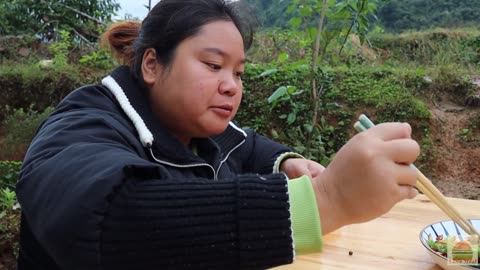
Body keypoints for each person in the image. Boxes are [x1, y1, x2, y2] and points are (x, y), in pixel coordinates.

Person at [15, 0, 420, 269]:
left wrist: (287, 162)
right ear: (152, 65)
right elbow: (106, 217)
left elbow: (247, 145)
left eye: (238, 73)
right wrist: (328, 199)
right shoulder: (79, 127)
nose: (231, 85)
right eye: (213, 65)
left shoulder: (196, 126)